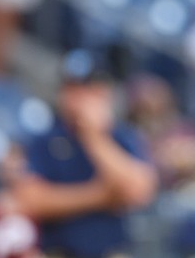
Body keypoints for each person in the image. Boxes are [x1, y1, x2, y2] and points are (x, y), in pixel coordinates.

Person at [11, 49, 158, 258]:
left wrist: (94, 137)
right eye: (70, 88)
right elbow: (29, 200)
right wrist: (100, 195)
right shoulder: (46, 139)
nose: (76, 98)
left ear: (103, 92)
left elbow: (139, 190)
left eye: (85, 89)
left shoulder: (122, 137)